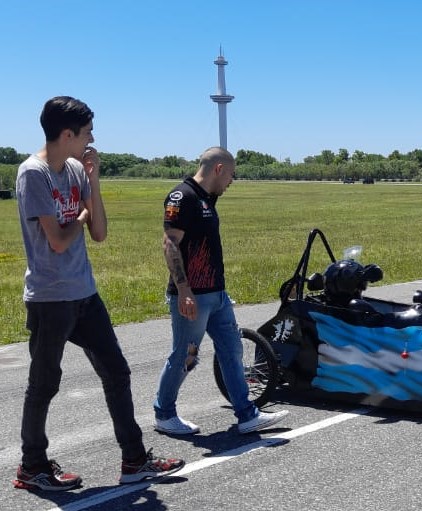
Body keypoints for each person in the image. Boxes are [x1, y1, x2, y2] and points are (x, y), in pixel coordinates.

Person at [14, 96, 184, 491]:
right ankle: (32, 467)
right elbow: (56, 241)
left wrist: (93, 181)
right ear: (67, 134)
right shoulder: (33, 174)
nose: (92, 138)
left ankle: (134, 460)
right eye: (87, 132)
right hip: (49, 297)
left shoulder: (75, 169)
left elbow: (101, 233)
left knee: (116, 372)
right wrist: (82, 216)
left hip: (84, 293)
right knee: (44, 384)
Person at [154, 147, 288, 436]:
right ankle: (164, 413)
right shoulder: (183, 197)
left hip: (216, 294)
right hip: (193, 296)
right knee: (185, 356)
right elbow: (170, 244)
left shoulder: (207, 198)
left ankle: (246, 413)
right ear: (218, 169)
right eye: (231, 175)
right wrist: (184, 288)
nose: (231, 181)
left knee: (232, 349)